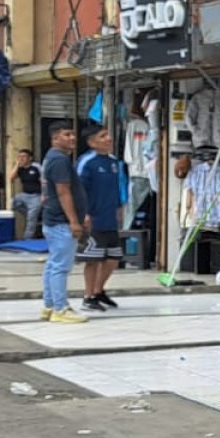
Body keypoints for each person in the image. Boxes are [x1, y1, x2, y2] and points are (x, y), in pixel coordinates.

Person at [38, 124, 89, 324]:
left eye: (73, 134)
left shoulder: (52, 157)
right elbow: (63, 191)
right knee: (60, 266)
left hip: (53, 219)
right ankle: (60, 308)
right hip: (61, 221)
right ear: (55, 138)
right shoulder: (59, 160)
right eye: (67, 135)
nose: (72, 138)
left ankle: (49, 305)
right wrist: (74, 221)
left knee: (53, 264)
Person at [76, 126, 126, 311]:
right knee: (93, 259)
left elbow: (117, 187)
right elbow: (78, 190)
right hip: (93, 218)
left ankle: (99, 291)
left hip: (110, 217)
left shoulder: (113, 162)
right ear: (92, 142)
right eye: (103, 136)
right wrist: (84, 214)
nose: (109, 138)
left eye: (108, 134)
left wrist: (119, 207)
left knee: (113, 257)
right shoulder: (86, 162)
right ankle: (88, 296)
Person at [12, 148, 43, 238]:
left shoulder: (36, 167)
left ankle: (27, 239)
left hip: (36, 196)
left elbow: (44, 180)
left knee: (31, 219)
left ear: (30, 158)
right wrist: (17, 165)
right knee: (14, 203)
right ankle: (36, 217)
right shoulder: (20, 169)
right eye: (20, 157)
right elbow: (11, 178)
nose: (21, 158)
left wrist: (44, 194)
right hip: (24, 194)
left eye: (24, 157)